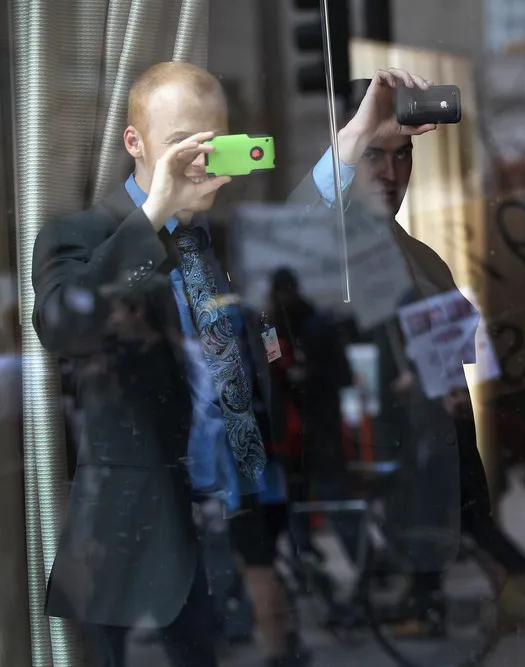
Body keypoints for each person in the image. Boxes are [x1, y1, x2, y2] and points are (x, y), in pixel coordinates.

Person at [30, 61, 308, 667]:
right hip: (133, 534)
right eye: (181, 143)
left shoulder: (223, 243)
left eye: (213, 142)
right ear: (135, 143)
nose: (199, 161)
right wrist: (153, 212)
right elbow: (65, 326)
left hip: (235, 517)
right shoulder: (80, 235)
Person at [284, 69, 525, 637]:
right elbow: (298, 225)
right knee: (440, 522)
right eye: (374, 156)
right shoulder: (338, 241)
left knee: (457, 517)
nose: (391, 174)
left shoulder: (422, 257)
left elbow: (458, 352)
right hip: (378, 431)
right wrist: (354, 136)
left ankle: (482, 593)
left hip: (425, 429)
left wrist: (451, 388)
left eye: (403, 156)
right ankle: (475, 593)